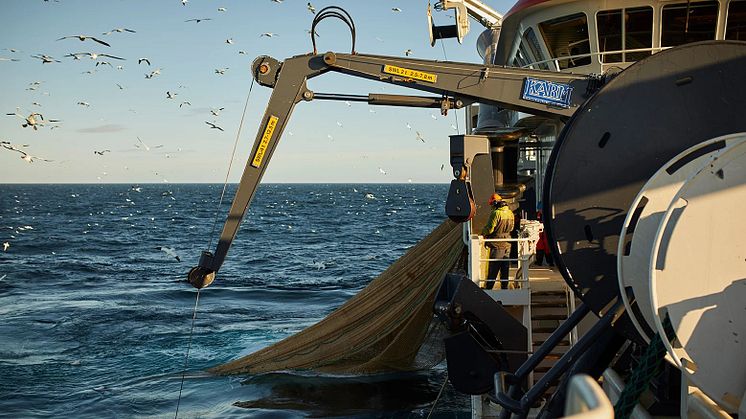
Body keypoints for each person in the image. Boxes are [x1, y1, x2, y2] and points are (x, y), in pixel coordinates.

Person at [481, 193, 515, 289]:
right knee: (505, 268)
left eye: (492, 204)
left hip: (497, 244)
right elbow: (511, 228)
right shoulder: (510, 213)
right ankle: (504, 288)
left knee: (493, 268)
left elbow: (490, 229)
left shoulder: (496, 213)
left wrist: (482, 232)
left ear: (495, 203)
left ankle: (489, 288)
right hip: (507, 243)